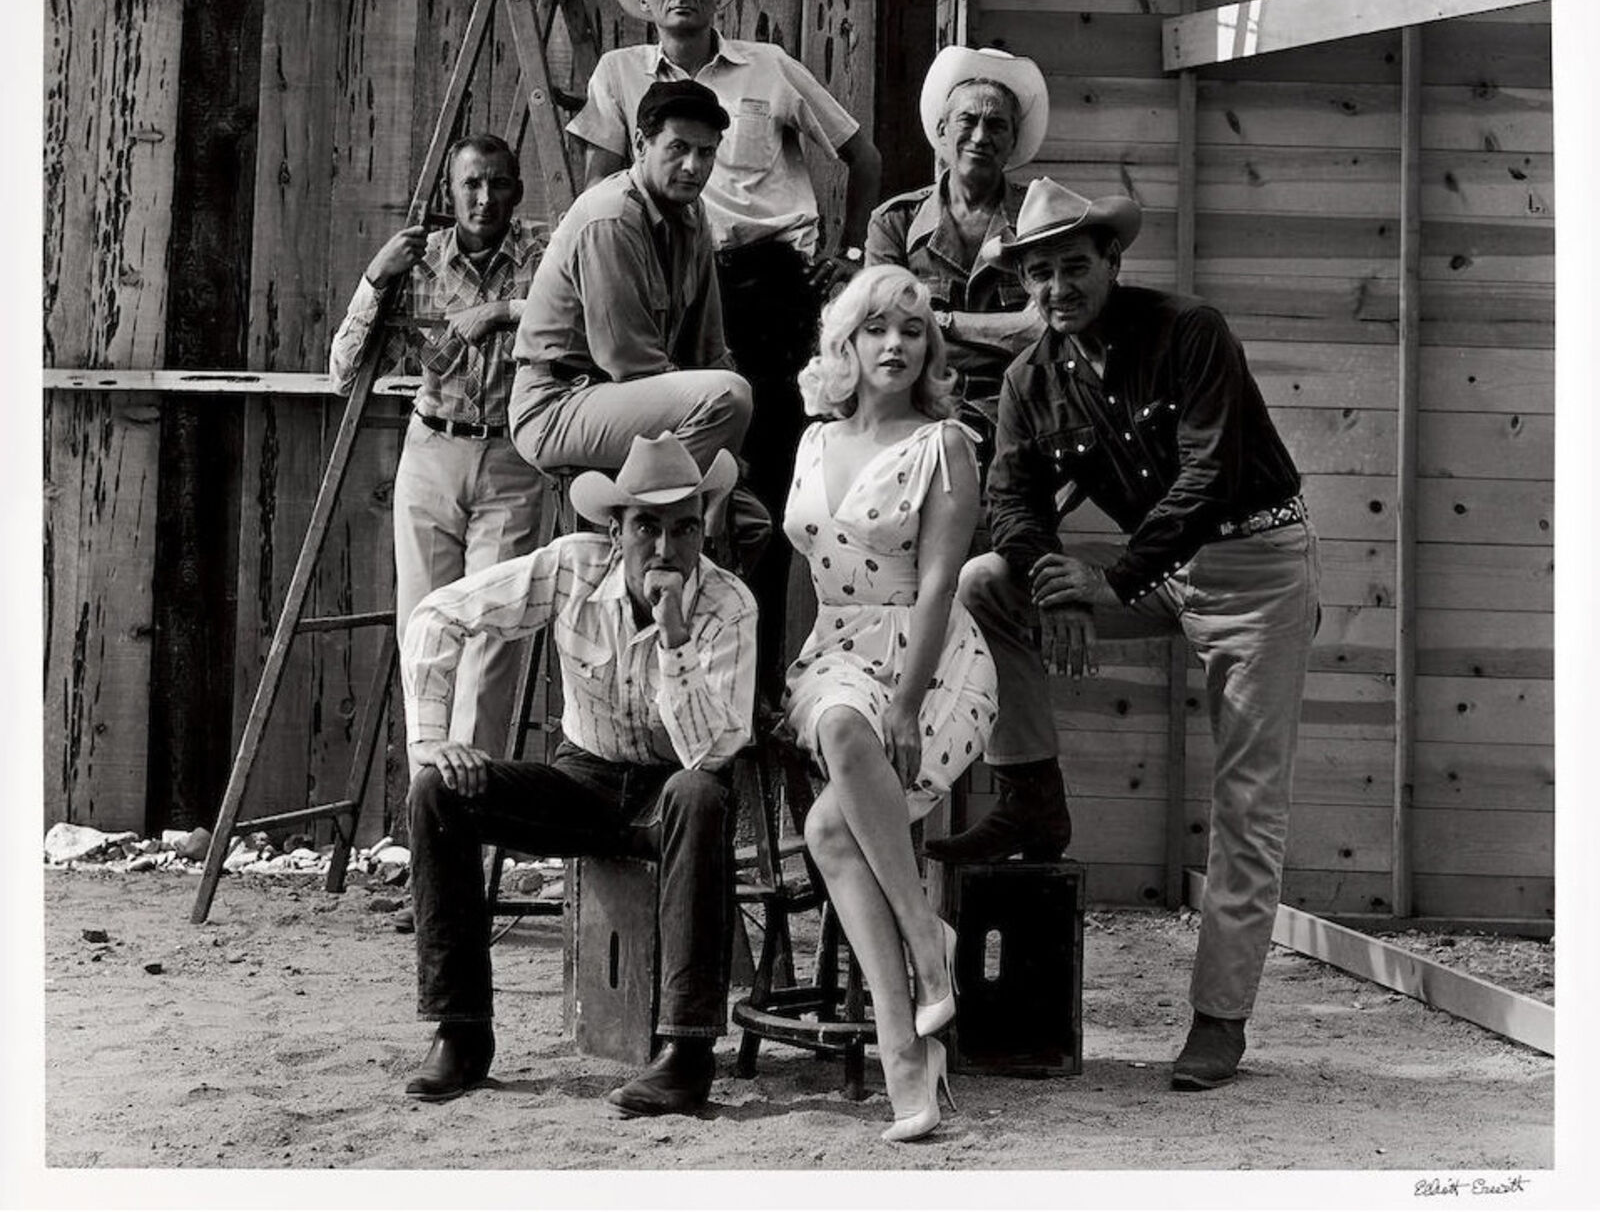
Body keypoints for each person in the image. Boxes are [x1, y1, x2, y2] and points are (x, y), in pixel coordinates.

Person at [946, 177, 1322, 1091]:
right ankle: (1032, 794)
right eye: (1039, 274)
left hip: (1255, 568)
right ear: (1022, 283)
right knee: (986, 582)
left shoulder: (1190, 331)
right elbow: (1012, 501)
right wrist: (1058, 589)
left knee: (1246, 803)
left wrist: (1108, 578)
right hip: (1153, 576)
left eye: (1074, 267)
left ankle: (1219, 1021)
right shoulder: (1031, 379)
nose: (1058, 288)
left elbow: (1208, 474)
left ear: (1113, 261)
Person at [568, 0, 883, 698]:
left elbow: (862, 155)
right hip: (665, 292)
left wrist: (849, 256)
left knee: (763, 493)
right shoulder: (618, 75)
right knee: (661, 485)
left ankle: (758, 689)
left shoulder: (768, 67)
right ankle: (651, 686)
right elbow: (596, 194)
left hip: (767, 294)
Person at [399, 432, 758, 1115]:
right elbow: (437, 616)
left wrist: (674, 638)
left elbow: (710, 752)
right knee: (437, 792)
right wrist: (433, 741)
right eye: (646, 526)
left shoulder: (729, 604)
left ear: (702, 528)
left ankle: (686, 1055)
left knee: (698, 793)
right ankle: (461, 1032)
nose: (666, 547)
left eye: (684, 527)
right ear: (614, 531)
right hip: (584, 780)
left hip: (672, 793)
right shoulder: (571, 567)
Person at [783, 265, 998, 1142]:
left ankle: (904, 1052)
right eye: (876, 328)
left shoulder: (945, 444)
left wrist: (906, 705)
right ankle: (925, 942)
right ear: (846, 342)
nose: (895, 344)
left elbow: (942, 581)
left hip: (931, 662)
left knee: (831, 834)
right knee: (838, 722)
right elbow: (804, 570)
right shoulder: (812, 442)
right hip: (834, 655)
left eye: (913, 331)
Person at [330, 133, 546, 776]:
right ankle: (429, 787)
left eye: (498, 183)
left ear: (517, 190)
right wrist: (376, 276)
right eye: (470, 184)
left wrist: (503, 310)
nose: (485, 198)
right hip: (432, 448)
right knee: (424, 625)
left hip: (510, 454)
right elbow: (343, 371)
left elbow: (583, 312)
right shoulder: (418, 262)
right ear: (449, 193)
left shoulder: (543, 253)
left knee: (493, 628)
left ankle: (475, 797)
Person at [510, 77, 767, 559]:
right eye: (679, 148)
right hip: (558, 404)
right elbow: (630, 363)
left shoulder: (692, 215)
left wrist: (733, 452)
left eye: (706, 153)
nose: (693, 166)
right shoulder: (610, 216)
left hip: (628, 402)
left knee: (752, 521)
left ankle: (682, 524)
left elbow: (709, 349)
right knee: (728, 397)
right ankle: (646, 524)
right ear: (640, 144)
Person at [865, 45, 1050, 429]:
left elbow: (1042, 332)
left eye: (996, 125)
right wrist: (1004, 332)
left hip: (1018, 411)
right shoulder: (894, 223)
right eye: (968, 120)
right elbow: (884, 333)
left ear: (1013, 140)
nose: (980, 137)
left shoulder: (1039, 217)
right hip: (918, 409)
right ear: (942, 130)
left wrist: (939, 323)